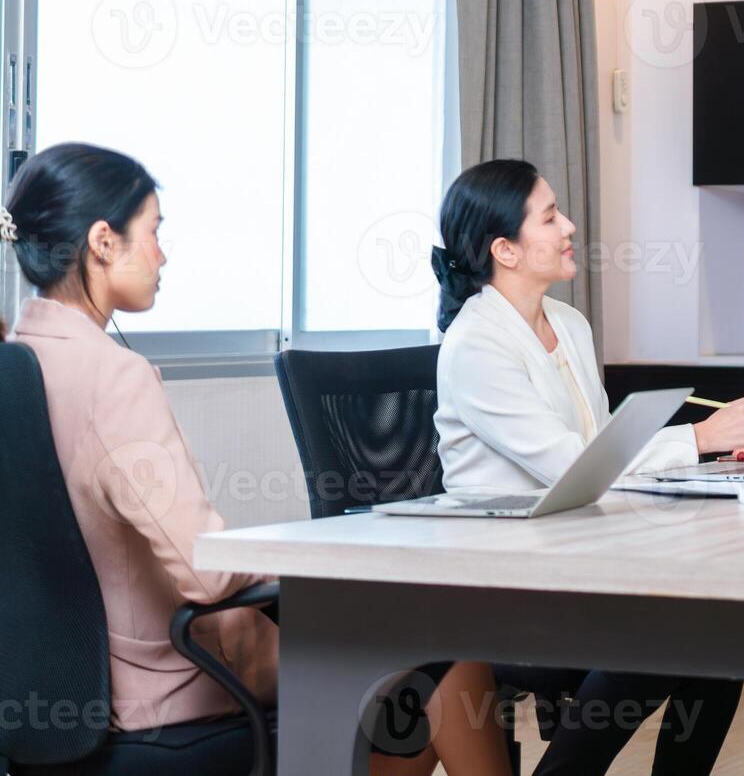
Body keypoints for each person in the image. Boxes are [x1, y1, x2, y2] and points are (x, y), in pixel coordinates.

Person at [0, 143, 510, 776]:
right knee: (446, 650)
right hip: (165, 681)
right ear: (103, 242)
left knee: (403, 701)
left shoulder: (21, 357)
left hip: (59, 688)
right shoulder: (112, 377)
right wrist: (308, 556)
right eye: (153, 232)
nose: (163, 254)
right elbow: (205, 574)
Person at [431, 157, 744, 775]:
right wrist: (697, 438)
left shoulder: (571, 325)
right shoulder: (475, 344)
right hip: (503, 581)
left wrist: (705, 454)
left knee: (723, 637)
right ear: (507, 249)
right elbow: (574, 464)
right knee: (652, 647)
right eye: (550, 217)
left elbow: (603, 446)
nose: (570, 225)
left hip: (577, 557)